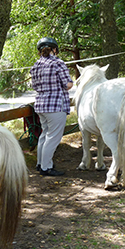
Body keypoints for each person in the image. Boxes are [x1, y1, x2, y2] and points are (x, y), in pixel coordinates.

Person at [30, 37, 73, 176]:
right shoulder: (58, 63)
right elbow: (67, 85)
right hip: (55, 105)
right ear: (54, 49)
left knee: (44, 135)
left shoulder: (36, 65)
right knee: (53, 137)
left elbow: (34, 86)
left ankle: (40, 164)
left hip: (41, 106)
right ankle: (46, 167)